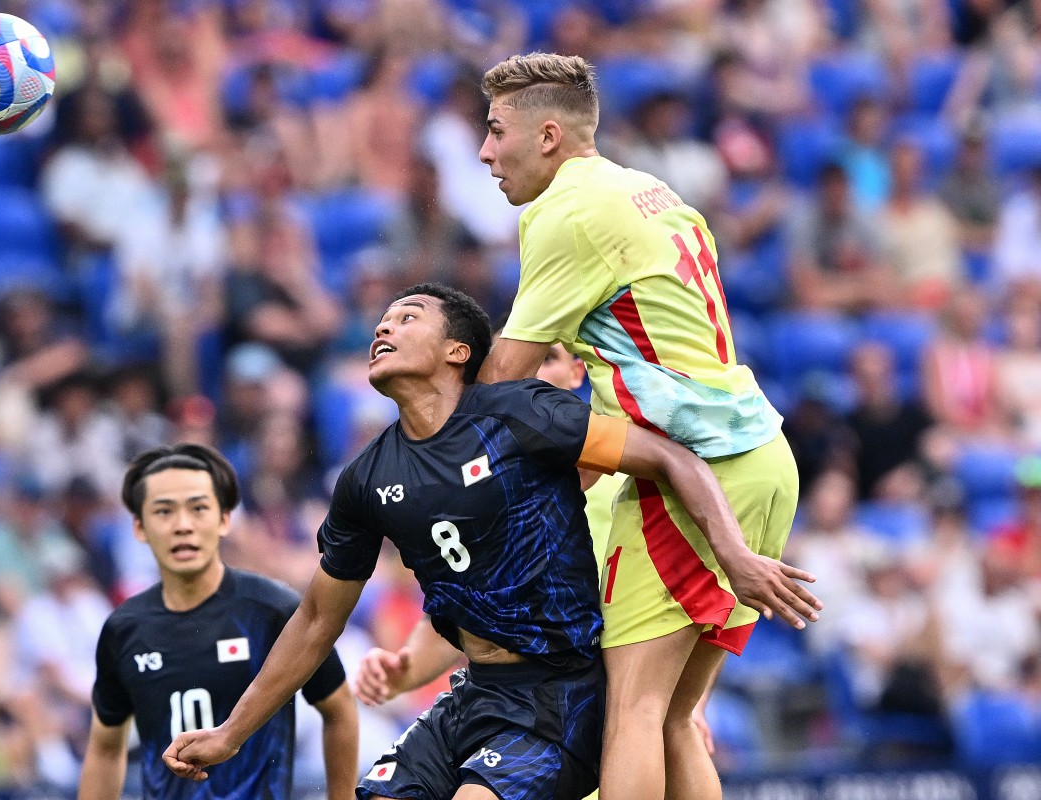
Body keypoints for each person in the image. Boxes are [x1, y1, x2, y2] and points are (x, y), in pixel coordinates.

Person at [162, 284, 818, 800]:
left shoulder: (520, 415)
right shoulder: (366, 479)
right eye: (382, 321)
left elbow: (673, 459)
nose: (384, 328)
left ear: (457, 352)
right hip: (473, 696)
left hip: (561, 697)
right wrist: (230, 733)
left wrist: (734, 554)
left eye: (409, 316)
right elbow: (313, 620)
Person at [476, 53, 817, 800]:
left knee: (631, 708)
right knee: (674, 715)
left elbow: (505, 375)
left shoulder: (564, 210)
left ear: (549, 136)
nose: (484, 150)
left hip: (698, 467)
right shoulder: (650, 189)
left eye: (497, 130)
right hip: (760, 456)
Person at [77, 443, 358, 800]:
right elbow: (105, 749)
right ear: (139, 527)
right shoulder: (123, 628)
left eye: (198, 508)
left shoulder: (274, 610)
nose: (183, 525)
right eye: (164, 511)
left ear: (225, 518)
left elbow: (339, 710)